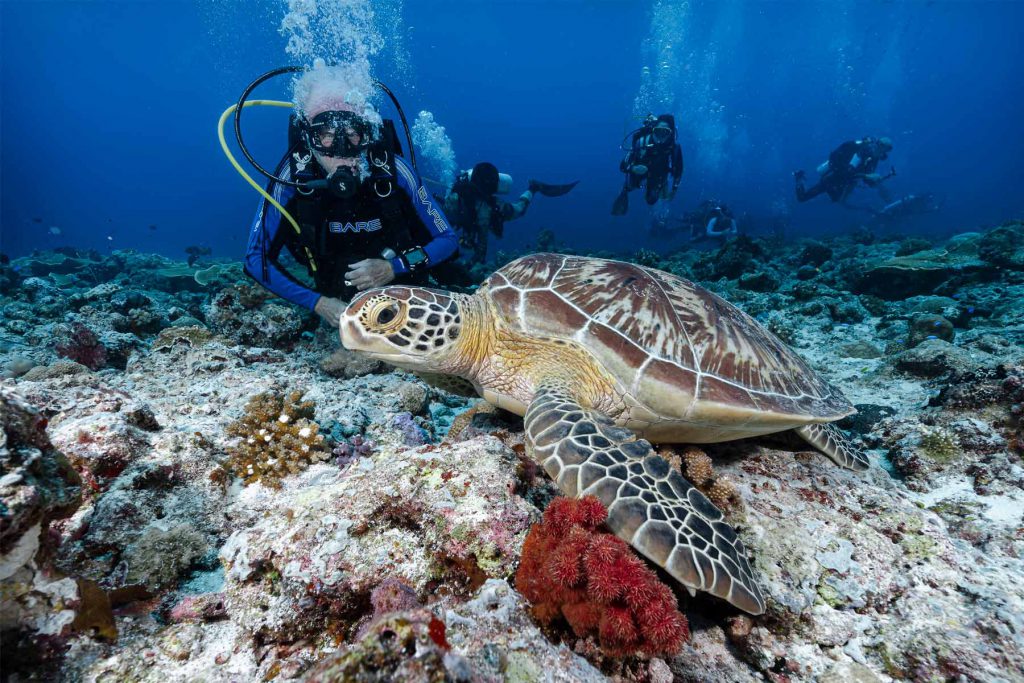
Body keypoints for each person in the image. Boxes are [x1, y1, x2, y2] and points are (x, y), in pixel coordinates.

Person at [243, 77, 458, 328]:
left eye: (353, 133)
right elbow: (255, 259)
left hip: (402, 285)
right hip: (331, 291)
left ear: (367, 132)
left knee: (457, 282)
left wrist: (392, 268)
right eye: (326, 135)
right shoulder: (292, 178)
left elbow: (448, 240)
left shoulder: (394, 170)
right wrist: (319, 303)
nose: (341, 150)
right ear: (308, 137)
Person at [440, 162, 577, 263]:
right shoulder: (456, 198)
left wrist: (472, 265)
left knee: (518, 209)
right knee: (518, 210)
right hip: (467, 216)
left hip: (493, 210)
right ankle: (533, 188)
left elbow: (482, 245)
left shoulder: (484, 207)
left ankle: (533, 188)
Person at [612, 114, 683, 215]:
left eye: (665, 132)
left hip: (658, 175)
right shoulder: (641, 142)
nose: (661, 137)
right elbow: (623, 166)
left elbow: (679, 170)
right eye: (658, 131)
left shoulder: (674, 148)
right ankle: (624, 192)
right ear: (653, 130)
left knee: (651, 200)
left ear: (670, 134)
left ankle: (657, 189)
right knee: (630, 186)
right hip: (639, 172)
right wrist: (633, 168)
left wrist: (674, 189)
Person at [794, 136, 894, 204]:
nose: (882, 152)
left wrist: (879, 179)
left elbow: (867, 180)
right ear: (877, 144)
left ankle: (824, 197)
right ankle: (799, 178)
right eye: (882, 148)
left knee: (836, 199)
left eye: (886, 150)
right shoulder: (862, 152)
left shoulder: (873, 158)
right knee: (803, 198)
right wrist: (867, 176)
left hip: (844, 180)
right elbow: (849, 172)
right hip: (834, 176)